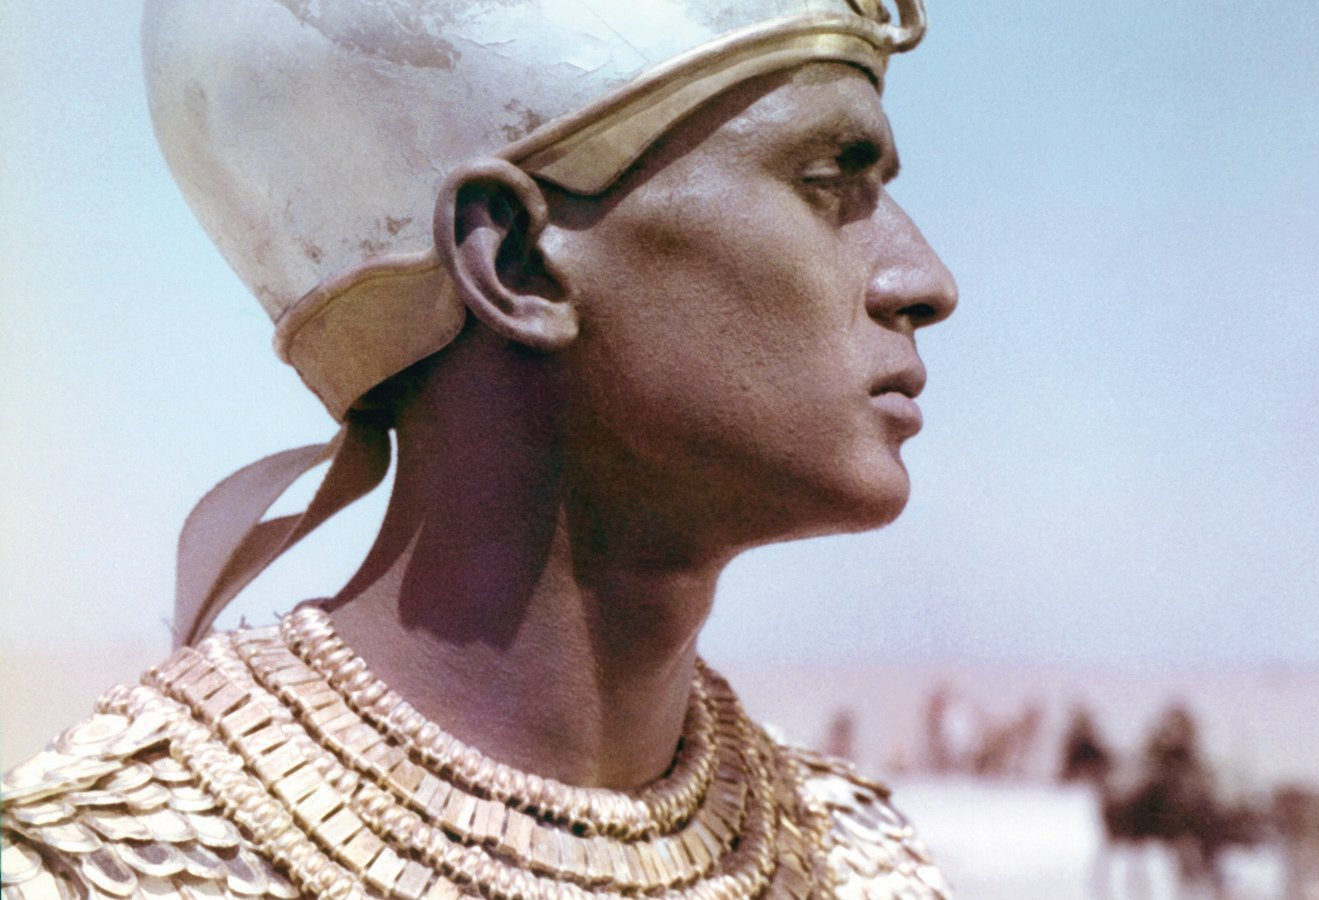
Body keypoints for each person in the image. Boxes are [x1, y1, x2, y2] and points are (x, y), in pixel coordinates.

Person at [0, 1, 958, 897]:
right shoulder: (106, 868)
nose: (926, 281)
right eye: (827, 181)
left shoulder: (873, 867)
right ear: (516, 266)